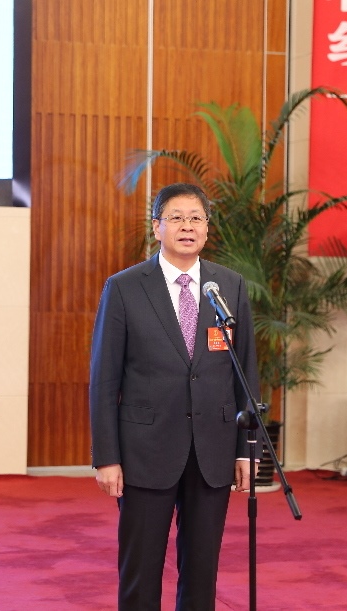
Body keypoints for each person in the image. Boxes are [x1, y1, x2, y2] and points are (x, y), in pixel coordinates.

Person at [89, 182, 260, 610]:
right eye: (177, 218)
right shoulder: (125, 287)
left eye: (196, 218)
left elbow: (245, 372)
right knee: (141, 570)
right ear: (157, 227)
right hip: (145, 451)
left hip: (212, 450)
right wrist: (106, 456)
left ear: (207, 228)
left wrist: (245, 450)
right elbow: (104, 378)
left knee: (202, 571)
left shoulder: (229, 286)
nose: (188, 226)